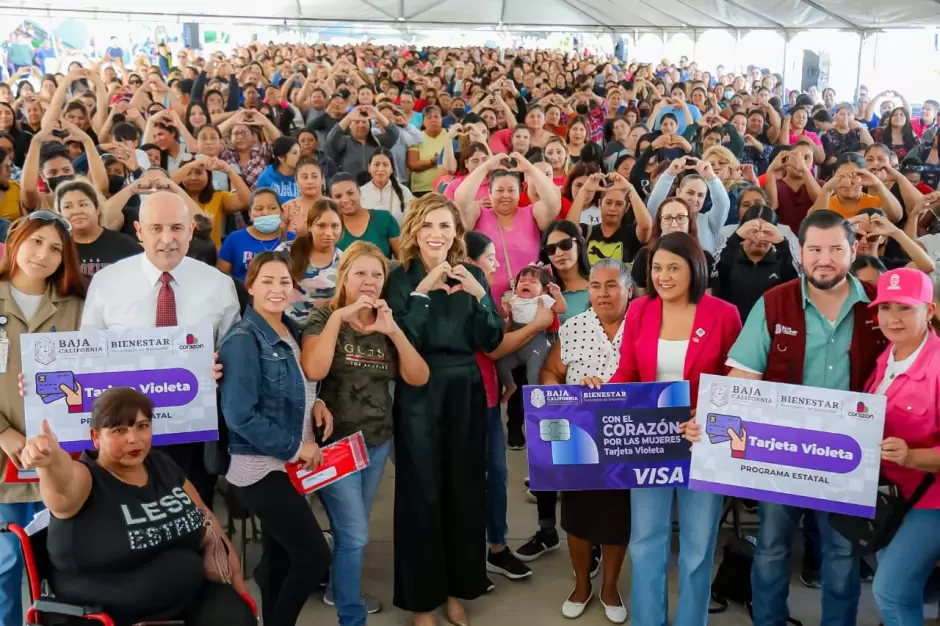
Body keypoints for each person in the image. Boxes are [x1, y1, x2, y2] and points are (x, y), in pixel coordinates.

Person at [723, 210, 889, 626]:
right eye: (815, 249)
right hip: (782, 454)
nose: (825, 259)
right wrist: (714, 417)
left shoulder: (878, 305)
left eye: (836, 249)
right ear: (800, 252)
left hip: (848, 458)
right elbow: (742, 376)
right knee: (772, 549)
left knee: (842, 554)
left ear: (854, 251)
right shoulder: (774, 302)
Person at [19, 388, 254, 626]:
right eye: (119, 430)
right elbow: (62, 487)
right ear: (95, 437)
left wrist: (237, 583)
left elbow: (205, 516)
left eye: (142, 426)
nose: (134, 438)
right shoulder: (86, 479)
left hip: (187, 600)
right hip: (108, 616)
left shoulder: (160, 463)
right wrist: (50, 462)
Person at [606, 232, 741, 626]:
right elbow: (629, 372)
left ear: (694, 268)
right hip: (652, 441)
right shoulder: (640, 311)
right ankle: (649, 619)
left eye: (673, 268)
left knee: (698, 546)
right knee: (646, 541)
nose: (663, 276)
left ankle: (690, 620)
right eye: (657, 268)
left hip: (704, 441)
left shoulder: (723, 313)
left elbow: (737, 380)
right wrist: (601, 396)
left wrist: (710, 415)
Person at [386, 194, 504, 626]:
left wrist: (481, 296)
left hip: (466, 388)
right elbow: (404, 341)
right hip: (420, 389)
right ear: (415, 231)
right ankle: (421, 600)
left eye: (445, 226)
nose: (437, 234)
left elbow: (490, 340)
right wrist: (422, 293)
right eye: (429, 226)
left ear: (456, 231)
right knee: (422, 493)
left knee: (465, 490)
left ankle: (459, 589)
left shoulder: (471, 273)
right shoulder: (399, 278)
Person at [80, 191, 241, 506]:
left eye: (177, 228)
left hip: (193, 430)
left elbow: (232, 349)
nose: (167, 239)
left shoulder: (219, 285)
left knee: (194, 516)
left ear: (191, 230)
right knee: (132, 520)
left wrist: (221, 365)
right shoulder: (106, 282)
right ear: (139, 231)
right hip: (125, 430)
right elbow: (88, 354)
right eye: (156, 228)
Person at [302, 241, 429, 624]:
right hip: (334, 446)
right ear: (344, 277)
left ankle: (337, 589)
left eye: (377, 274)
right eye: (361, 273)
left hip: (375, 443)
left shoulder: (387, 323)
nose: (369, 281)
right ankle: (350, 614)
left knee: (350, 530)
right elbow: (314, 370)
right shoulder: (323, 318)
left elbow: (418, 376)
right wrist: (340, 317)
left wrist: (393, 331)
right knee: (355, 533)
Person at [217, 251, 332, 626]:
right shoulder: (243, 339)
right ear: (250, 286)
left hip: (287, 466)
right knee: (314, 556)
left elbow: (296, 383)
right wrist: (298, 447)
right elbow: (239, 414)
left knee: (278, 558)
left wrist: (318, 402)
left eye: (284, 281)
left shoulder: (290, 329)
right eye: (266, 281)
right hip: (261, 467)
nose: (276, 289)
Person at [0, 211, 86, 626]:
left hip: (62, 461)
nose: (43, 254)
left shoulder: (77, 307)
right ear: (16, 240)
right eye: (36, 241)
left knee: (64, 569)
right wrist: (5, 434)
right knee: (5, 570)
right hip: (5, 464)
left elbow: (99, 375)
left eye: (56, 248)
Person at [539, 259, 634, 623]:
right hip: (578, 435)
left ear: (628, 289)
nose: (603, 293)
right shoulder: (574, 326)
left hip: (625, 437)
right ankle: (582, 584)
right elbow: (550, 371)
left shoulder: (642, 326)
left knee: (616, 517)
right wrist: (561, 400)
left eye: (611, 286)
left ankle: (609, 587)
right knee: (577, 517)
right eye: (595, 286)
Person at [864, 268, 940, 625]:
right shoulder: (888, 358)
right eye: (885, 307)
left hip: (932, 500)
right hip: (891, 497)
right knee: (902, 592)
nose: (892, 318)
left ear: (930, 310)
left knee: (890, 591)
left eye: (905, 308)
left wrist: (911, 456)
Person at [712, 203, 800, 320]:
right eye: (753, 230)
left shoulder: (782, 260)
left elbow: (796, 284)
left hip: (770, 329)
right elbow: (716, 273)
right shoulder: (730, 256)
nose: (759, 237)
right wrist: (735, 238)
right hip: (733, 328)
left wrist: (782, 245)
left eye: (767, 232)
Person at [495, 264, 566, 401]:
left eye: (533, 282)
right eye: (522, 281)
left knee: (534, 374)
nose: (526, 283)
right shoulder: (514, 299)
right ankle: (510, 386)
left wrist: (557, 294)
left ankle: (538, 401)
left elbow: (562, 309)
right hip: (516, 343)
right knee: (501, 365)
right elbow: (508, 320)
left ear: (544, 290)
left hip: (536, 342)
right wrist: (504, 311)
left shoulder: (543, 299)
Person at [54, 178, 141, 277]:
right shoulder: (56, 248)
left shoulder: (125, 244)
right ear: (60, 214)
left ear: (97, 209)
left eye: (83, 204)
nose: (76, 211)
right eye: (68, 207)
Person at [645, 156, 730, 254]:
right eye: (690, 193)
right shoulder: (665, 217)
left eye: (700, 195)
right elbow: (654, 204)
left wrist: (711, 177)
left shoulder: (710, 221)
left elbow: (723, 205)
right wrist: (669, 174)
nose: (694, 199)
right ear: (678, 192)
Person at [172, 157, 252, 248]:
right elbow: (166, 183)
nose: (193, 178)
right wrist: (193, 164)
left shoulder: (218, 197)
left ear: (208, 175)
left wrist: (229, 171)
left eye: (199, 172)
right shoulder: (174, 198)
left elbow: (247, 201)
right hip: (181, 257)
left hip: (211, 257)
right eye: (188, 173)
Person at [218, 188, 292, 282]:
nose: (266, 213)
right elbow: (221, 278)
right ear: (250, 214)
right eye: (259, 209)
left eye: (272, 208)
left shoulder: (293, 240)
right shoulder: (234, 239)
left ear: (281, 212)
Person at [331, 173, 400, 258]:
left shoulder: (384, 218)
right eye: (338, 196)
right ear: (332, 200)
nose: (345, 200)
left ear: (359, 192)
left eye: (350, 193)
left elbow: (404, 260)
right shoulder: (330, 228)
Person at [326, 104, 400, 179]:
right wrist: (348, 118)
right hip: (351, 187)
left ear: (370, 125)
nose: (361, 125)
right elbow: (331, 138)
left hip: (375, 187)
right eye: (357, 122)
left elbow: (394, 133)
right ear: (350, 126)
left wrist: (377, 115)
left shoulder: (377, 141)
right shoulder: (344, 141)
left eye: (364, 122)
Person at [360, 148, 413, 223]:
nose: (381, 169)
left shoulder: (404, 192)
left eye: (385, 165)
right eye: (376, 164)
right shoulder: (360, 192)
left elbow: (411, 222)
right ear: (369, 167)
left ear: (392, 169)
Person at [408, 106, 447, 196]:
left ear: (442, 119)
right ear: (423, 121)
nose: (433, 119)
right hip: (421, 189)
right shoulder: (415, 138)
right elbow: (412, 164)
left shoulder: (450, 136)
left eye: (436, 116)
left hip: (446, 188)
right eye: (429, 117)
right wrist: (432, 162)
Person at [282, 157, 325, 235]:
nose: (310, 181)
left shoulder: (333, 206)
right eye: (305, 177)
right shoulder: (287, 208)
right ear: (296, 181)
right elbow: (280, 240)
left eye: (314, 176)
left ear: (322, 179)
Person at [255, 136, 302, 204]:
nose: (300, 156)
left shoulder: (304, 174)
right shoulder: (266, 177)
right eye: (294, 153)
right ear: (281, 157)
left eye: (300, 152)